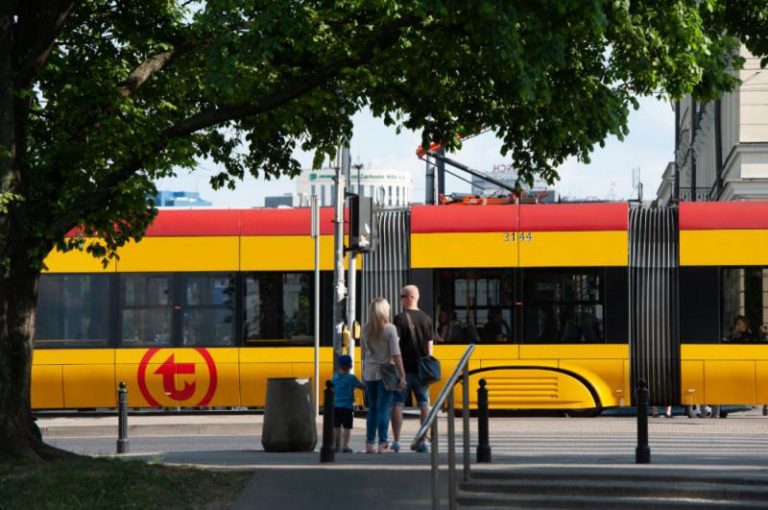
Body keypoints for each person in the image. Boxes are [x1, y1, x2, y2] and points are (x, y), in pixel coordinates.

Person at [391, 284, 434, 453]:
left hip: (404, 369)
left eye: (402, 296)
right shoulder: (427, 318)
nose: (401, 299)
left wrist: (396, 368)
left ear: (409, 297)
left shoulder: (399, 319)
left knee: (397, 403)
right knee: (424, 404)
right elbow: (430, 347)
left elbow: (395, 346)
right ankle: (423, 440)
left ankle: (396, 441)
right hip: (422, 370)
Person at [361, 297, 406, 454]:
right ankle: (383, 444)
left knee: (372, 408)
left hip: (369, 373)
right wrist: (402, 374)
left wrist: (363, 374)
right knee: (383, 408)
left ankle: (369, 443)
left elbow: (363, 354)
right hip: (386, 373)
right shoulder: (390, 329)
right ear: (385, 310)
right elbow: (396, 354)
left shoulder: (365, 329)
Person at [332, 354, 364, 453]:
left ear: (339, 366)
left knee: (335, 427)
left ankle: (333, 446)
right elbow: (361, 386)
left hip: (336, 406)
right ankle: (345, 446)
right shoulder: (351, 378)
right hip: (347, 407)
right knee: (347, 427)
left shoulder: (335, 377)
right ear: (350, 366)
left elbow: (332, 388)